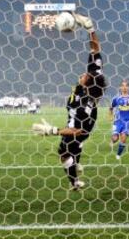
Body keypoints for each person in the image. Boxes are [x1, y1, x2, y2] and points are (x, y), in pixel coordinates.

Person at [32, 14, 106, 190]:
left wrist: (53, 130)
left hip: (80, 124)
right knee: (74, 146)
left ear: (87, 87)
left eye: (84, 76)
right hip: (82, 118)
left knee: (64, 152)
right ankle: (76, 162)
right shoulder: (96, 75)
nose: (83, 74)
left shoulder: (82, 106)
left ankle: (74, 180)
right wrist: (90, 28)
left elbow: (76, 129)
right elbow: (95, 49)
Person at [109, 81, 129, 160]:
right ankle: (112, 141)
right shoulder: (116, 98)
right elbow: (111, 107)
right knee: (115, 138)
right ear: (120, 88)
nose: (124, 87)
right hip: (118, 121)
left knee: (123, 138)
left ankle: (118, 155)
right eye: (123, 86)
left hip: (127, 122)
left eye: (126, 86)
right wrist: (110, 116)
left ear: (128, 87)